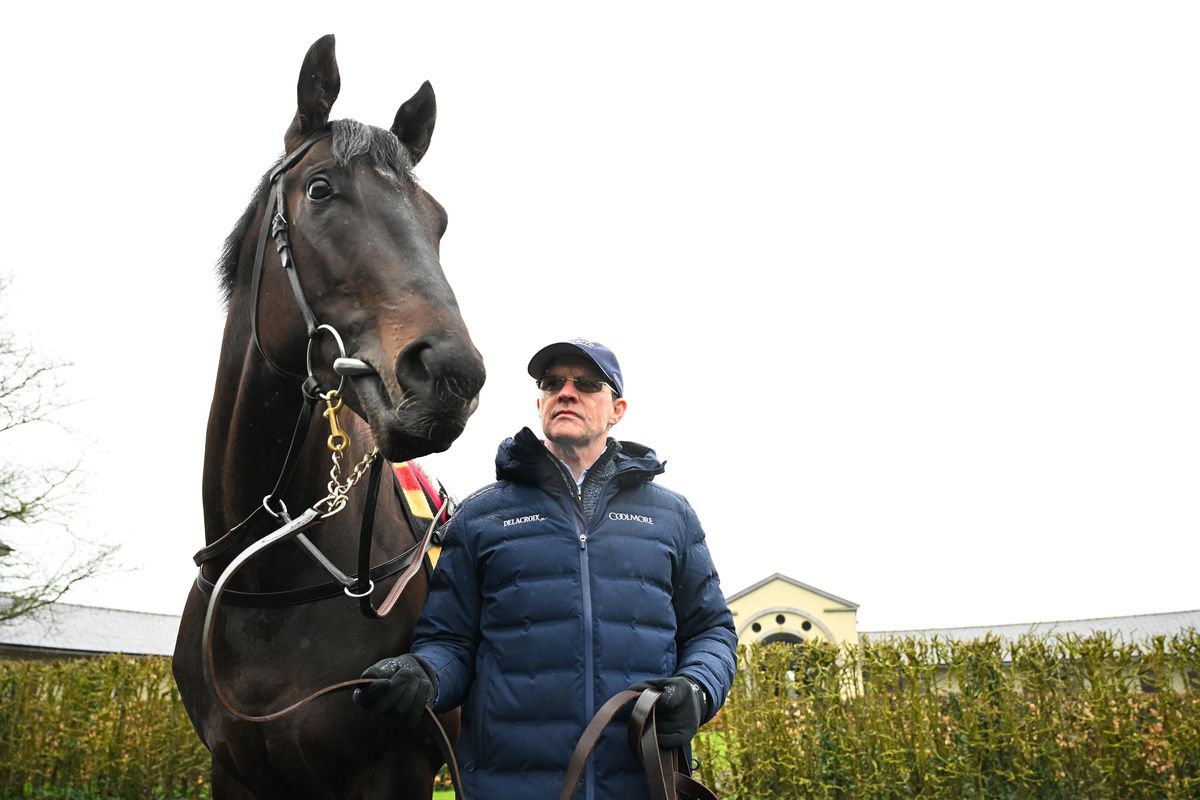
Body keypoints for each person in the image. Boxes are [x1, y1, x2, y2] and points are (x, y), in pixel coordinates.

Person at [354, 338, 738, 799]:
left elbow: (712, 631)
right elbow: (450, 643)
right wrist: (425, 677)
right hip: (508, 786)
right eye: (552, 383)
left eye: (586, 383)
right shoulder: (481, 516)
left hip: (639, 783)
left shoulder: (672, 516)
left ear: (617, 409)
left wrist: (698, 689)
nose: (566, 392)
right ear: (540, 403)